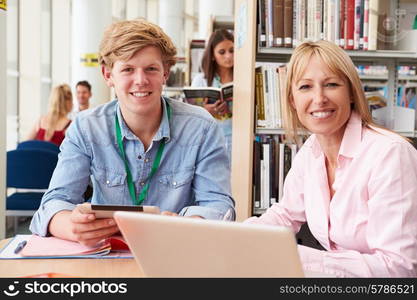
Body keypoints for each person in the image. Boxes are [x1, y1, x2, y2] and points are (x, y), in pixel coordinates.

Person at [30, 19, 234, 246]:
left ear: (165, 73)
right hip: (106, 255)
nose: (141, 81)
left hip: (176, 252)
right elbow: (53, 203)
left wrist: (191, 224)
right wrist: (70, 225)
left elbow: (219, 205)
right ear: (108, 75)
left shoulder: (201, 127)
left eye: (151, 69)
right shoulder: (86, 127)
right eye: (127, 69)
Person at [245, 40, 417, 277]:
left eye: (332, 84)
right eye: (305, 87)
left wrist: (296, 258)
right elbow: (285, 214)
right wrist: (237, 238)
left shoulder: (390, 154)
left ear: (351, 94)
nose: (319, 98)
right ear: (293, 101)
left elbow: (399, 268)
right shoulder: (311, 150)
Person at [191, 29, 234, 162]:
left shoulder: (244, 79)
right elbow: (188, 117)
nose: (228, 56)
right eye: (222, 52)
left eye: (232, 50)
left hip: (238, 142)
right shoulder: (200, 80)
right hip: (208, 143)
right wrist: (204, 110)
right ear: (213, 55)